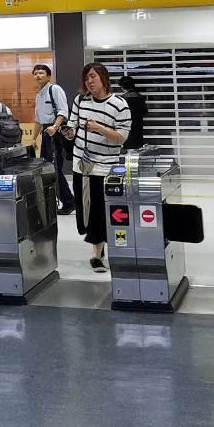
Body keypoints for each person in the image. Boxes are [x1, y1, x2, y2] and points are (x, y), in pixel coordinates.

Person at [62, 63, 132, 272]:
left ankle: (97, 253)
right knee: (84, 210)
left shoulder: (119, 105)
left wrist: (99, 128)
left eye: (93, 76)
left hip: (104, 167)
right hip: (81, 165)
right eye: (86, 78)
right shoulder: (80, 100)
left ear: (103, 77)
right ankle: (97, 247)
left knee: (99, 210)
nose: (89, 81)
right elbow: (73, 125)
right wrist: (69, 133)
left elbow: (121, 138)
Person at [32, 64, 75, 215]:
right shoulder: (39, 95)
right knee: (46, 169)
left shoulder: (55, 89)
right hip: (46, 133)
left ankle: (68, 202)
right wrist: (33, 139)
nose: (38, 75)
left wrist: (55, 127)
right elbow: (38, 119)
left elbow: (63, 111)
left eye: (41, 73)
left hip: (56, 132)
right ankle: (53, 202)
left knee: (55, 169)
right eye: (35, 73)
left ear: (49, 76)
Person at [118, 75, 148, 151]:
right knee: (137, 151)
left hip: (126, 129)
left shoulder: (122, 99)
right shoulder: (140, 97)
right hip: (138, 129)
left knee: (128, 152)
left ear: (122, 87)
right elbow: (145, 111)